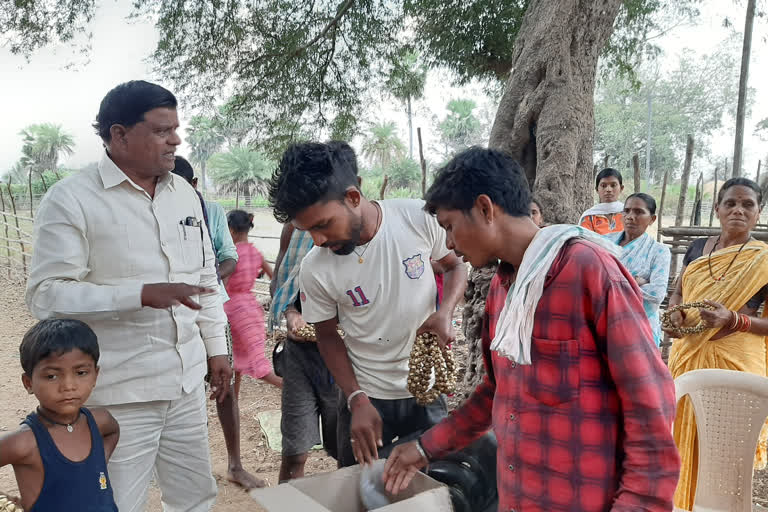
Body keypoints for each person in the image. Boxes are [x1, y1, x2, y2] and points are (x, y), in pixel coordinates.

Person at [383, 147, 680, 512]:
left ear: (485, 209)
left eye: (449, 226)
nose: (448, 244)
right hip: (519, 497)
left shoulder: (590, 271)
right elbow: (496, 391)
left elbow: (649, 405)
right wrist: (425, 448)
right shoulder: (502, 288)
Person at [26, 80, 230, 512]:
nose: (175, 139)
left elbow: (206, 279)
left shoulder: (185, 197)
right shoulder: (71, 200)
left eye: (175, 129)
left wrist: (217, 349)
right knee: (117, 502)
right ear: (119, 134)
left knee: (195, 497)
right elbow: (46, 295)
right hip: (121, 394)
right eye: (161, 130)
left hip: (186, 383)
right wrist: (139, 294)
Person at [268, 141, 467, 468]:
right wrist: (356, 397)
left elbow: (456, 264)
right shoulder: (316, 267)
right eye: (309, 230)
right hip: (365, 398)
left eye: (323, 225)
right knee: (359, 487)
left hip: (425, 391)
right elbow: (328, 336)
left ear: (353, 197)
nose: (318, 240)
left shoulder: (416, 218)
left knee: (430, 483)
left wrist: (445, 313)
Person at [664, 177, 768, 510]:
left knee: (725, 449)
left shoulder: (763, 260)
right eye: (730, 203)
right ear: (717, 209)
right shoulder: (697, 249)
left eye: (748, 204)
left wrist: (733, 320)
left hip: (734, 363)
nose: (738, 210)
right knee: (680, 439)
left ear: (759, 211)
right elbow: (679, 292)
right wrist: (675, 314)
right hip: (687, 356)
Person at [268, 140, 359, 482]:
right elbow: (282, 280)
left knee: (345, 455)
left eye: (324, 224)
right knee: (294, 454)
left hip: (348, 362)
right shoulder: (296, 228)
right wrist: (291, 314)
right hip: (302, 356)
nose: (319, 239)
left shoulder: (367, 240)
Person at [171, 157, 265, 489]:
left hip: (209, 309)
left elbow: (229, 256)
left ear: (193, 184)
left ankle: (235, 465)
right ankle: (182, 468)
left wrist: (204, 283)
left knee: (223, 383)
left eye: (179, 185)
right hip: (169, 312)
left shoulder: (209, 210)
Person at [0, 319, 119, 512]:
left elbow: (113, 431)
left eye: (81, 372)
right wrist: (5, 503)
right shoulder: (25, 442)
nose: (68, 386)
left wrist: (97, 466)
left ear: (95, 375)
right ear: (28, 382)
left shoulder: (100, 421)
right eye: (51, 376)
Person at [225, 209, 281, 394]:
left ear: (230, 231)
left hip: (232, 311)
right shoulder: (254, 252)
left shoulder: (230, 255)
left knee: (255, 365)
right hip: (251, 308)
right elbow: (274, 277)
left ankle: (292, 389)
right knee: (237, 364)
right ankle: (234, 405)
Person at [605, 193, 671, 346]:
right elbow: (593, 280)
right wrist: (636, 281)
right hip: (605, 322)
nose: (630, 216)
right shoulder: (605, 242)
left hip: (641, 329)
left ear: (652, 219)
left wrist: (614, 282)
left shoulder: (658, 251)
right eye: (626, 211)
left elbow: (657, 293)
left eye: (638, 212)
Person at [579, 167, 625, 234]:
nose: (608, 189)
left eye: (613, 185)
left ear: (621, 188)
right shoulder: (589, 217)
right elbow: (584, 240)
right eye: (603, 186)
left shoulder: (628, 213)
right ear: (597, 189)